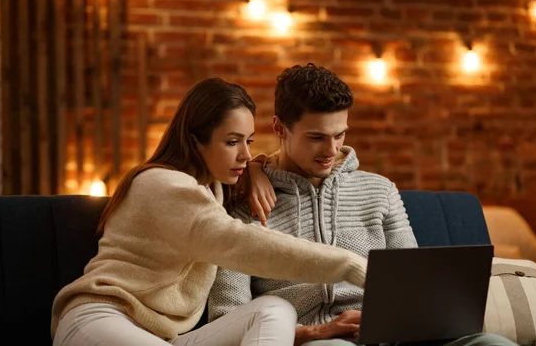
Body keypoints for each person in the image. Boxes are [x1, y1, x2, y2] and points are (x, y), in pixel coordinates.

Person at [208, 64, 518, 346]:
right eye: (316, 137)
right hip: (315, 339)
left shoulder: (379, 190)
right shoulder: (243, 201)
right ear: (279, 128)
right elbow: (228, 319)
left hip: (394, 336)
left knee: (493, 344)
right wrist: (314, 332)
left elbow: (412, 283)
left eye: (339, 134)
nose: (331, 150)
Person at [50, 78, 370, 346]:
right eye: (232, 142)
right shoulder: (163, 185)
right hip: (98, 322)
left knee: (273, 309)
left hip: (166, 339)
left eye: (249, 141)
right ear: (195, 141)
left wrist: (257, 168)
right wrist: (350, 265)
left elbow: (263, 163)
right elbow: (239, 241)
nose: (244, 154)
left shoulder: (212, 190)